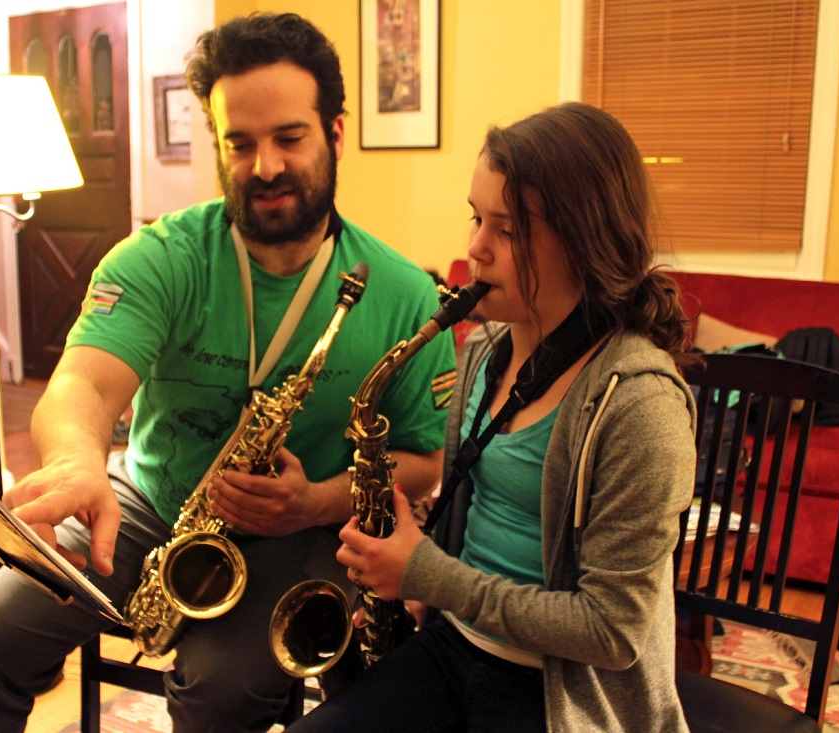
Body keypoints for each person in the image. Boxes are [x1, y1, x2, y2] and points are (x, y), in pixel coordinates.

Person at [0, 13, 455, 733]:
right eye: (238, 143)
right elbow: (84, 382)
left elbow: (426, 461)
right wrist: (79, 460)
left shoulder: (405, 294)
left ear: (335, 135)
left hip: (305, 528)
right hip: (148, 502)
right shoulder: (160, 257)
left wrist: (311, 501)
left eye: (289, 138)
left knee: (224, 690)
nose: (264, 165)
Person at [287, 102, 698, 732]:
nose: (474, 249)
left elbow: (613, 632)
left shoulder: (641, 407)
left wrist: (429, 572)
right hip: (454, 647)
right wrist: (410, 572)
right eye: (477, 218)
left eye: (508, 230)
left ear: (587, 241)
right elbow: (469, 517)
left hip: (563, 692)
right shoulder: (482, 351)